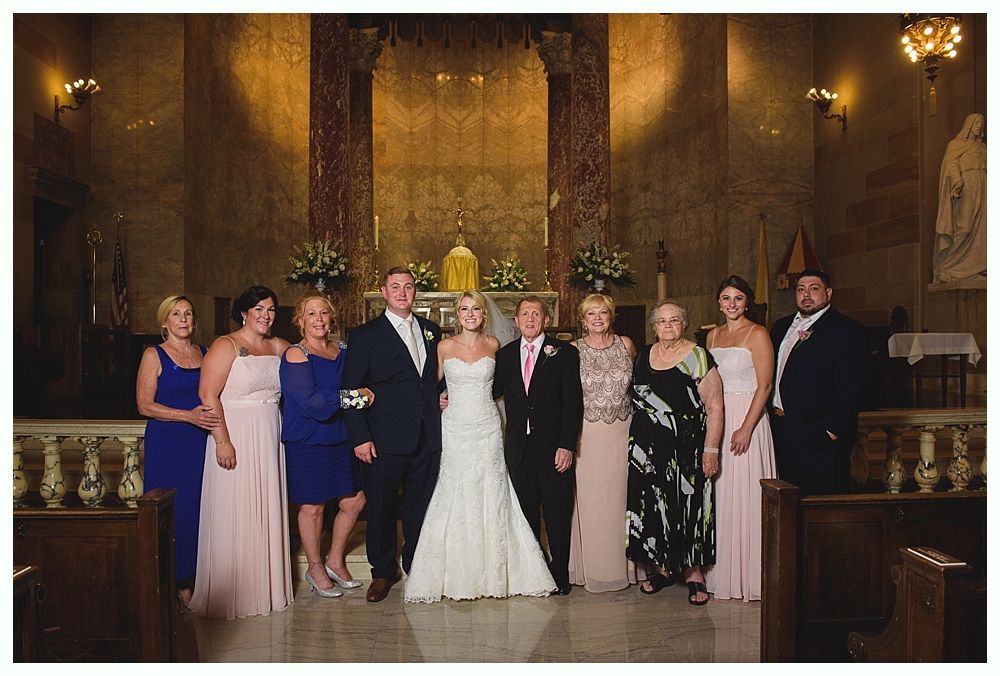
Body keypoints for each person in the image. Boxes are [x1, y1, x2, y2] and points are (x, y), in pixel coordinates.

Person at [405, 290, 556, 602]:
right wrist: (437, 398)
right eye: (464, 309)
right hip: (456, 428)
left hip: (487, 426)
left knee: (492, 490)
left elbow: (508, 385)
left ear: (484, 314)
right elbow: (427, 388)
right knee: (455, 490)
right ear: (456, 314)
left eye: (475, 308)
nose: (470, 314)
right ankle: (455, 573)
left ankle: (498, 571)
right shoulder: (444, 347)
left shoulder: (494, 345)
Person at [189, 286, 293, 619]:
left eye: (272, 309)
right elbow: (208, 394)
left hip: (269, 434)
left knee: (266, 504)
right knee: (235, 504)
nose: (266, 315)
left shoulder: (279, 346)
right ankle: (233, 592)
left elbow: (312, 367)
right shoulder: (226, 344)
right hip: (235, 431)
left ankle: (267, 587)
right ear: (244, 312)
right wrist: (222, 440)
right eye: (259, 309)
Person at [343, 266, 442, 603]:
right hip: (382, 438)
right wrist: (359, 436)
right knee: (383, 508)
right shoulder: (365, 335)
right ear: (383, 292)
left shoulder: (431, 330)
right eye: (395, 287)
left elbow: (431, 379)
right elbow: (350, 390)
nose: (402, 293)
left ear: (416, 292)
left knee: (420, 506)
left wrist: (442, 395)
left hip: (426, 435)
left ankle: (416, 564)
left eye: (409, 287)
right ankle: (382, 572)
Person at [626, 300, 723, 606]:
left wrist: (711, 449)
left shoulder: (698, 356)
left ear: (684, 323)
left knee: (689, 507)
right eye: (662, 322)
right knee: (653, 507)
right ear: (654, 327)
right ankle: (662, 569)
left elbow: (715, 406)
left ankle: (694, 574)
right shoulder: (642, 356)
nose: (668, 326)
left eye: (674, 321)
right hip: (646, 449)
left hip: (686, 448)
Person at [279, 294, 372, 598]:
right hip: (308, 440)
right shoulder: (296, 354)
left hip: (341, 437)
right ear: (300, 320)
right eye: (311, 314)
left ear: (332, 318)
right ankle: (315, 566)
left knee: (354, 501)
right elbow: (314, 404)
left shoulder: (342, 349)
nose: (318, 320)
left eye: (323, 314)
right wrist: (357, 397)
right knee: (313, 507)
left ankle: (334, 559)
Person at [492, 296, 583, 596]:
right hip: (518, 448)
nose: (530, 319)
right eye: (524, 314)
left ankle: (559, 574)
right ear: (515, 321)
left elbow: (573, 404)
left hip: (553, 447)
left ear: (546, 320)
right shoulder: (504, 356)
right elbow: (489, 391)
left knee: (557, 513)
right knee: (526, 513)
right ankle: (534, 572)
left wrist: (566, 445)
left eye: (536, 314)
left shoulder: (565, 353)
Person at [136, 295, 220, 608]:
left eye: (188, 313)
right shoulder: (153, 355)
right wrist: (189, 416)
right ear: (165, 321)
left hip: (200, 443)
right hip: (168, 443)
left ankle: (194, 580)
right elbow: (144, 405)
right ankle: (169, 582)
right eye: (175, 314)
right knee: (171, 512)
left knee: (198, 510)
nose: (183, 319)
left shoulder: (205, 352)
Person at [702, 276, 777, 602]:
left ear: (747, 302)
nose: (732, 304)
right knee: (721, 493)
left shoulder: (758, 334)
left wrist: (747, 427)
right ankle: (723, 573)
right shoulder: (712, 335)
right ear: (719, 302)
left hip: (748, 416)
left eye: (738, 299)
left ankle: (751, 575)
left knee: (746, 494)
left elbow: (765, 386)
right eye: (726, 298)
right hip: (718, 417)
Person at [770, 269, 867, 495]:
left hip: (817, 432)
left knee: (820, 502)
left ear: (828, 293)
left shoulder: (846, 330)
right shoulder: (780, 327)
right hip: (780, 428)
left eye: (814, 289)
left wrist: (831, 430)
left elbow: (853, 386)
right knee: (786, 500)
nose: (806, 295)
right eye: (801, 290)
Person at [567, 293, 638, 593]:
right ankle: (590, 568)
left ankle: (625, 567)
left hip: (623, 431)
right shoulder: (572, 350)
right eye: (591, 313)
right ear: (582, 320)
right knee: (591, 499)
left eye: (603, 312)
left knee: (620, 498)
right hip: (588, 434)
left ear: (611, 316)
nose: (597, 318)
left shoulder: (627, 344)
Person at [934, 112, 986, 283]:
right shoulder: (956, 145)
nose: (980, 126)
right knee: (965, 227)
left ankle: (977, 265)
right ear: (969, 125)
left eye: (982, 123)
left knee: (983, 230)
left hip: (984, 187)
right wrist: (957, 178)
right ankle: (947, 265)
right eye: (977, 122)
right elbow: (950, 164)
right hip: (966, 187)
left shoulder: (983, 148)